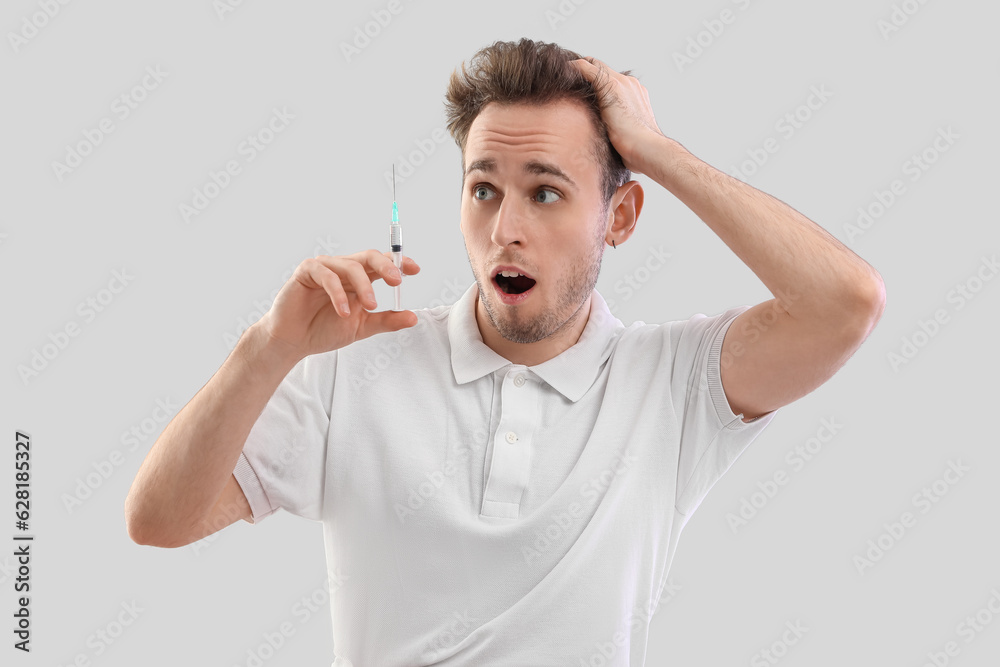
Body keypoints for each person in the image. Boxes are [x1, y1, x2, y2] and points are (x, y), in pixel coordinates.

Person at [125, 38, 885, 666]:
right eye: (483, 189)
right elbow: (158, 518)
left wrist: (651, 149)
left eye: (546, 192)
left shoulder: (673, 385)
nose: (505, 228)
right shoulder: (355, 361)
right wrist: (267, 348)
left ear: (619, 215)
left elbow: (846, 304)